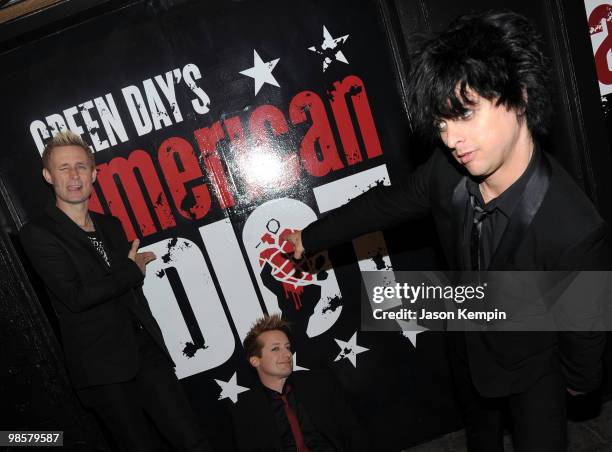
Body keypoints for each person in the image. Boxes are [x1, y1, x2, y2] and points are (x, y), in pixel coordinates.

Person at [285, 10, 610, 452]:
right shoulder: (446, 172)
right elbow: (383, 205)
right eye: (441, 123)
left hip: (533, 363)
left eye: (466, 113)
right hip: (465, 326)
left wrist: (578, 384)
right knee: (481, 436)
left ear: (520, 97)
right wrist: (309, 238)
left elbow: (585, 331)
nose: (453, 139)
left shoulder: (575, 228)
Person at [19, 131, 213, 452]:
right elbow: (76, 296)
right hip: (102, 369)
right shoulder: (38, 233)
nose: (73, 175)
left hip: (146, 354)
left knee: (193, 440)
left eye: (80, 166)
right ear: (47, 175)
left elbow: (130, 294)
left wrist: (153, 337)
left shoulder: (111, 225)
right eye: (63, 167)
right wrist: (130, 271)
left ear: (94, 173)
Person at [231, 314, 368, 451]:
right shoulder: (246, 410)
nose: (287, 354)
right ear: (255, 360)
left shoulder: (320, 383)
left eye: (287, 347)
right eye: (275, 348)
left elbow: (353, 432)